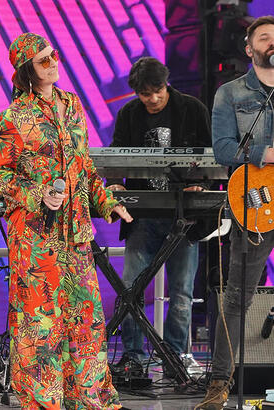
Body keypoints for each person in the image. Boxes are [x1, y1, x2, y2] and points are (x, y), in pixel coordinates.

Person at [0, 32, 132, 409]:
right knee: (42, 322)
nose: (53, 63)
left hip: (77, 234)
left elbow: (84, 167)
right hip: (36, 238)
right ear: (27, 71)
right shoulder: (14, 116)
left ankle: (85, 397)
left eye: (54, 55)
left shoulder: (73, 105)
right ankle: (44, 400)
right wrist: (38, 195)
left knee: (85, 317)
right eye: (43, 60)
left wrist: (106, 203)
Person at [107, 57, 212, 376]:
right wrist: (113, 184)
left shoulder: (192, 108)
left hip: (184, 215)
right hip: (142, 216)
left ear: (166, 85)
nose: (152, 99)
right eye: (145, 95)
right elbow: (115, 155)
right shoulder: (128, 114)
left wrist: (201, 183)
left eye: (157, 92)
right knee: (132, 289)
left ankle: (176, 357)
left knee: (182, 291)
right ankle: (134, 357)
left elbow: (209, 155)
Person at [198, 16, 274, 410]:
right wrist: (267, 154)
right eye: (265, 38)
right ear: (250, 49)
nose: (272, 42)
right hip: (256, 201)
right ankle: (219, 385)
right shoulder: (231, 93)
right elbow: (224, 149)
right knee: (238, 297)